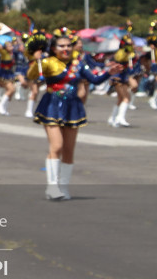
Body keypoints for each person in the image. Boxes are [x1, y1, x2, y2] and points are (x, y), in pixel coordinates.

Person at [29, 34, 122, 200]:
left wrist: (109, 72)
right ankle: (52, 187)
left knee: (69, 150)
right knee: (56, 146)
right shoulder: (48, 62)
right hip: (52, 105)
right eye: (61, 46)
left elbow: (95, 80)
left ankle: (63, 188)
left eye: (68, 46)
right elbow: (31, 75)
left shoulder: (79, 64)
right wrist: (36, 60)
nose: (66, 49)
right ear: (53, 49)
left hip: (73, 107)